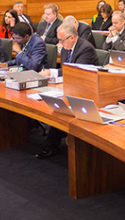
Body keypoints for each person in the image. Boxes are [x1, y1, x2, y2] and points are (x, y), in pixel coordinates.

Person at [37, 23, 97, 159]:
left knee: (62, 109)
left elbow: (77, 71)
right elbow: (67, 70)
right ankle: (54, 141)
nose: (60, 43)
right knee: (56, 106)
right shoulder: (65, 48)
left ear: (72, 37)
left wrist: (51, 72)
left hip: (87, 89)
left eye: (62, 40)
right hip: (70, 86)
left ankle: (53, 144)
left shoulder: (86, 48)